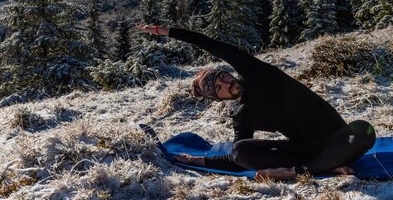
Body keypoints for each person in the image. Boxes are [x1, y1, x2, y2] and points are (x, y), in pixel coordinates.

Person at [137, 24, 376, 182]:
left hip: (336, 137)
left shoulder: (257, 73)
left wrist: (166, 31)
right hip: (304, 150)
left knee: (363, 130)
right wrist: (198, 160)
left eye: (223, 78)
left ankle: (301, 171)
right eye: (219, 89)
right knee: (241, 150)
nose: (227, 85)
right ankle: (322, 167)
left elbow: (212, 45)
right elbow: (237, 157)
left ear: (228, 73)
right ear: (219, 99)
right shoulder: (242, 114)